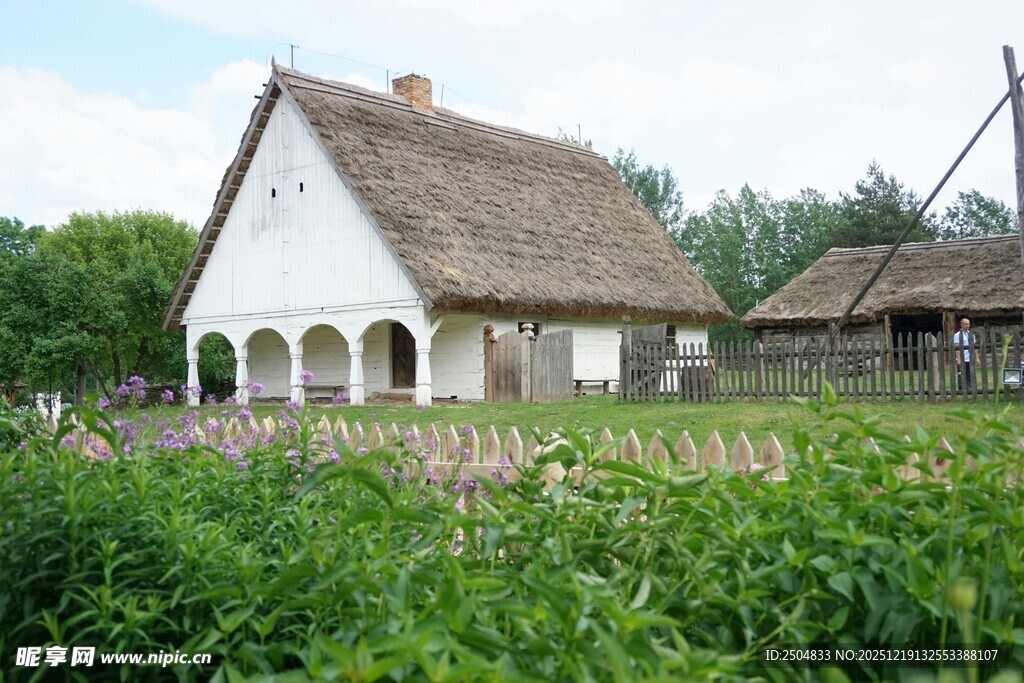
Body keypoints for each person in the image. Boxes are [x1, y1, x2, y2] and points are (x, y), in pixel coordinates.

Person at [952, 317, 976, 392]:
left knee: (969, 374)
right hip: (962, 358)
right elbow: (957, 347)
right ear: (961, 325)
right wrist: (959, 359)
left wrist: (977, 358)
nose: (968, 325)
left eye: (968, 324)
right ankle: (962, 388)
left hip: (970, 358)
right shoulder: (957, 335)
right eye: (966, 324)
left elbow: (974, 347)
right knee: (961, 374)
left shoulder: (971, 334)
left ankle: (970, 388)